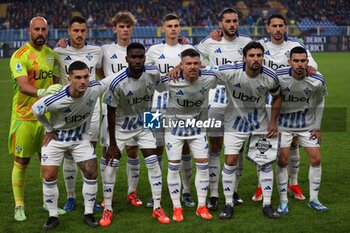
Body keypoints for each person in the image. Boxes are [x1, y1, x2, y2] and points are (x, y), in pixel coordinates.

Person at [32, 61, 113, 230]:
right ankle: (53, 216)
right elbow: (36, 108)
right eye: (78, 78)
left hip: (80, 138)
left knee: (91, 172)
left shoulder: (94, 89)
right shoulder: (57, 99)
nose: (83, 81)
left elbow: (111, 79)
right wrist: (48, 128)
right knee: (49, 176)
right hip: (57, 139)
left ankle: (88, 213)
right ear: (69, 79)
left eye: (85, 77)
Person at [206, 41, 282, 219]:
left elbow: (278, 97)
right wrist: (180, 66)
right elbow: (204, 68)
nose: (256, 59)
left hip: (260, 124)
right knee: (230, 161)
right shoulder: (231, 71)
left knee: (264, 162)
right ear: (244, 58)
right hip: (234, 123)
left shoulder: (270, 76)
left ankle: (267, 204)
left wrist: (272, 123)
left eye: (259, 56)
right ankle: (228, 204)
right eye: (252, 56)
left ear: (263, 57)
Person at [252, 14, 318, 202]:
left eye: (281, 25)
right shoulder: (261, 46)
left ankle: (293, 183)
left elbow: (311, 62)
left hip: (291, 101)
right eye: (275, 26)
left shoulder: (295, 44)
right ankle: (260, 186)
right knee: (263, 142)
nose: (278, 29)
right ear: (268, 28)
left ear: (286, 27)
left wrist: (311, 67)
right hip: (265, 99)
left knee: (294, 142)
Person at [103, 42, 170, 224]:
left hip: (146, 120)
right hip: (121, 125)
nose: (137, 60)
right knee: (111, 164)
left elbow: (166, 84)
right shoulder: (117, 82)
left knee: (154, 161)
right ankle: (107, 208)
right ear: (127, 59)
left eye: (141, 56)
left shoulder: (152, 73)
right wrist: (113, 143)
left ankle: (157, 207)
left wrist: (177, 70)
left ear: (144, 58)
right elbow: (110, 112)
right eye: (134, 57)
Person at [8, 16, 64, 222]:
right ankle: (19, 205)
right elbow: (23, 85)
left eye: (43, 30)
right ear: (29, 31)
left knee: (46, 162)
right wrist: (43, 92)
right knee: (21, 161)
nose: (40, 33)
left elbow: (56, 80)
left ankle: (48, 202)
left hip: (45, 120)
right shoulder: (19, 55)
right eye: (36, 29)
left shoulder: (50, 55)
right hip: (24, 117)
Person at [195, 7, 251, 210]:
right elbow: (191, 56)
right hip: (216, 102)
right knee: (216, 147)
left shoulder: (246, 43)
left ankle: (233, 190)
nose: (232, 24)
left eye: (235, 21)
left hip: (240, 104)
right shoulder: (210, 42)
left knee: (237, 149)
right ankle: (214, 193)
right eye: (227, 21)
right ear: (221, 24)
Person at [145, 13, 196, 208]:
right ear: (163, 28)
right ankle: (155, 193)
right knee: (154, 148)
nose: (173, 29)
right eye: (170, 26)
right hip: (155, 106)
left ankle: (186, 192)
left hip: (182, 107)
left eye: (176, 25)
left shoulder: (188, 49)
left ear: (180, 28)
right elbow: (147, 74)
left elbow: (201, 66)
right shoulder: (154, 50)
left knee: (184, 148)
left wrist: (180, 66)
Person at [54, 15, 103, 212]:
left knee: (89, 152)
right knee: (68, 154)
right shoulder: (59, 51)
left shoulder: (96, 51)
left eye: (83, 31)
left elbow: (101, 74)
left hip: (92, 109)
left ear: (87, 32)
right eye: (75, 31)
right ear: (69, 32)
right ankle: (71, 197)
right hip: (69, 110)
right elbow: (54, 79)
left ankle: (90, 199)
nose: (79, 34)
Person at [159, 48, 215, 221]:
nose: (192, 67)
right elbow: (150, 85)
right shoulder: (169, 80)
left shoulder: (210, 77)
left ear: (200, 64)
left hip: (197, 128)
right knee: (174, 165)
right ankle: (177, 207)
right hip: (173, 129)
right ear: (181, 65)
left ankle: (201, 206)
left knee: (203, 165)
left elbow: (229, 70)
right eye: (188, 64)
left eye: (195, 63)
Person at [99, 11, 144, 226]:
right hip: (113, 110)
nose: (124, 29)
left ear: (132, 29)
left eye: (128, 26)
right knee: (108, 152)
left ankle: (132, 192)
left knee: (134, 151)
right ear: (114, 28)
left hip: (136, 111)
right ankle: (106, 196)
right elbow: (99, 72)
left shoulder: (140, 51)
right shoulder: (105, 50)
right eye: (121, 26)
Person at [275, 46, 328, 214]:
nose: (299, 64)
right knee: (282, 161)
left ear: (307, 62)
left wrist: (317, 128)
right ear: (289, 62)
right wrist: (270, 124)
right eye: (296, 61)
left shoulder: (317, 79)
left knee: (316, 160)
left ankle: (314, 199)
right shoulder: (279, 78)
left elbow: (320, 102)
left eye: (303, 61)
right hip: (283, 125)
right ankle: (283, 200)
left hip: (307, 126)